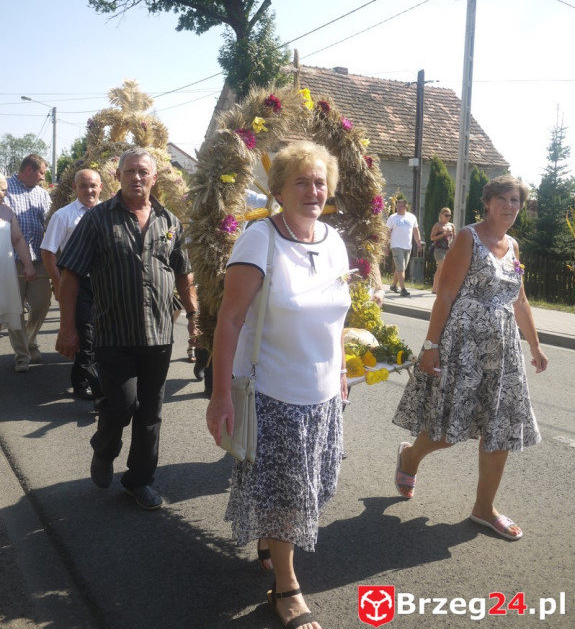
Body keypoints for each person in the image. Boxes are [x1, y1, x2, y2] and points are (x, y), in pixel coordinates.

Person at [206, 141, 350, 629]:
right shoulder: (259, 239)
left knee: (317, 484)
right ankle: (286, 588)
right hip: (274, 393)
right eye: (302, 182)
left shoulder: (334, 240)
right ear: (280, 190)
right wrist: (221, 393)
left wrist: (344, 370)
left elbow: (336, 317)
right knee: (289, 494)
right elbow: (229, 320)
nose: (313, 191)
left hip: (325, 392)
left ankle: (269, 540)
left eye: (320, 181)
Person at [392, 175, 547, 541]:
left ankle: (484, 508)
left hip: (504, 351)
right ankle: (411, 457)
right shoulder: (468, 237)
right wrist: (430, 346)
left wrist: (535, 345)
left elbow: (519, 300)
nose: (510, 206)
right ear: (488, 202)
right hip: (463, 344)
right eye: (503, 199)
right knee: (449, 428)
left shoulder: (513, 245)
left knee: (500, 429)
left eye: (516, 201)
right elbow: (444, 296)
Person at [55, 149, 199, 511]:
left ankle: (139, 480)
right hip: (113, 334)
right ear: (118, 177)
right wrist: (67, 328)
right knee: (121, 404)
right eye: (130, 171)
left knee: (150, 412)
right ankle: (104, 451)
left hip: (159, 336)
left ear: (154, 179)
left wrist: (194, 316)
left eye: (143, 172)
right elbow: (70, 274)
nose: (137, 177)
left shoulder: (170, 222)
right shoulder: (98, 219)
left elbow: (183, 273)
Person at [41, 169, 103, 400]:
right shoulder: (63, 216)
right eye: (84, 186)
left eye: (93, 186)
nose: (89, 190)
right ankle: (87, 386)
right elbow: (48, 251)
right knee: (86, 335)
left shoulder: (109, 212)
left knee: (103, 336)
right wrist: (59, 284)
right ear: (75, 189)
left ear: (101, 187)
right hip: (78, 282)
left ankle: (90, 379)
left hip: (105, 284)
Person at [4, 154, 52, 371]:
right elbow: (14, 235)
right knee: (16, 309)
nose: (43, 178)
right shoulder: (6, 189)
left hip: (38, 258)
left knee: (42, 303)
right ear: (29, 170)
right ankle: (22, 355)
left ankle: (30, 340)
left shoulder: (43, 195)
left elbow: (50, 223)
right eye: (41, 173)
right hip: (10, 261)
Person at [0, 173, 37, 330]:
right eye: (2, 190)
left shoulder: (6, 211)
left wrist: (28, 266)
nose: (6, 194)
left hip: (3, 275)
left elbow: (17, 239)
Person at [385, 198, 422, 297]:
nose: (398, 208)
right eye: (397, 206)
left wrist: (418, 242)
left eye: (401, 206)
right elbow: (387, 232)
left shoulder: (412, 217)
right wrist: (386, 245)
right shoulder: (392, 218)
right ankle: (403, 289)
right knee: (401, 268)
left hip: (407, 246)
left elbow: (415, 230)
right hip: (396, 245)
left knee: (401, 268)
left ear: (406, 207)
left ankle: (393, 285)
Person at [429, 207, 456, 293]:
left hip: (448, 250)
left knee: (441, 269)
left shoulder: (452, 225)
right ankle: (438, 288)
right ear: (441, 215)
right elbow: (432, 237)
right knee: (442, 266)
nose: (448, 217)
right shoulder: (437, 225)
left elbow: (455, 238)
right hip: (439, 249)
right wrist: (443, 234)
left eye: (449, 215)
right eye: (446, 215)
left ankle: (436, 288)